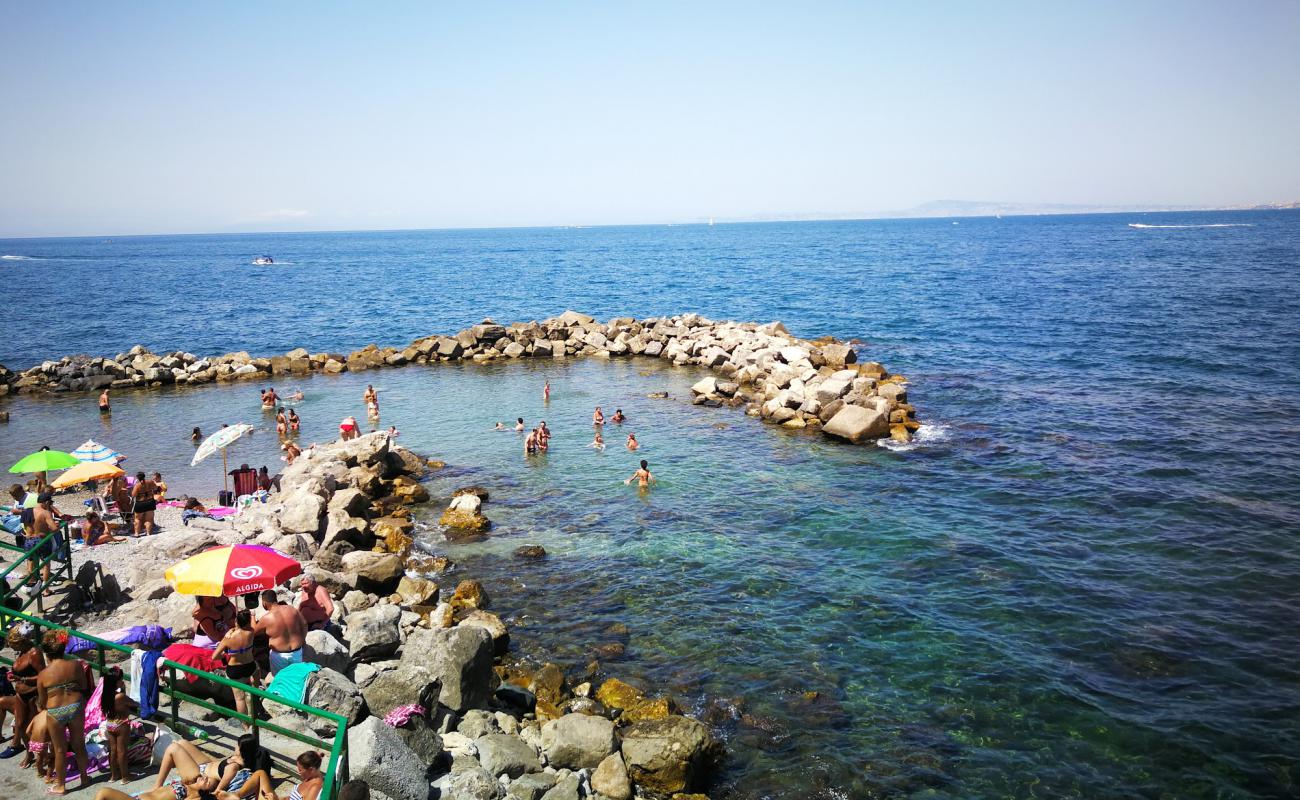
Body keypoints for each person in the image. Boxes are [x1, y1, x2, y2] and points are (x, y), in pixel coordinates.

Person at [36, 628, 91, 795]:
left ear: (46, 653)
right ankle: (84, 777)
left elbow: (43, 701)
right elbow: (83, 687)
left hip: (55, 711)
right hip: (75, 706)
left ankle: (61, 786)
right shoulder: (76, 665)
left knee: (59, 749)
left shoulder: (43, 675)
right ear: (63, 648)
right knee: (79, 744)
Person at [146, 733, 266, 798]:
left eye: (237, 745)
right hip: (206, 764)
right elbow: (217, 765)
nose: (235, 746)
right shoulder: (237, 758)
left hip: (201, 774)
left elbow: (219, 788)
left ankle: (157, 785)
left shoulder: (233, 767)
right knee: (182, 742)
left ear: (242, 750)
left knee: (173, 748)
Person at [0, 623, 45, 760]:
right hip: (21, 695)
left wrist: (21, 678)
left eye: (13, 643)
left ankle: (33, 754)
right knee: (20, 723)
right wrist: (12, 674)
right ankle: (28, 753)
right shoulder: (22, 652)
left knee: (26, 726)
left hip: (33, 696)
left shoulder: (34, 653)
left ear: (21, 642)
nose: (10, 646)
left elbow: (43, 675)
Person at [213, 610, 257, 730]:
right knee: (252, 691)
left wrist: (225, 653)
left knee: (239, 698)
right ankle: (255, 716)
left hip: (235, 669)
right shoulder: (251, 631)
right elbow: (252, 625)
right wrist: (252, 616)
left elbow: (214, 656)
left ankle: (246, 726)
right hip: (249, 665)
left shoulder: (229, 638)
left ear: (236, 621)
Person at [226, 750, 325, 800]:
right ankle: (236, 795)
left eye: (300, 770)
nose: (298, 772)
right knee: (260, 773)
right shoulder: (309, 777)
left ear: (311, 770)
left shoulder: (315, 787)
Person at [254, 590, 307, 675]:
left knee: (280, 681)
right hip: (296, 652)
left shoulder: (266, 618)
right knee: (296, 678)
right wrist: (303, 639)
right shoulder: (292, 609)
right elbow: (304, 624)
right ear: (276, 599)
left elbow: (253, 633)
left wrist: (252, 618)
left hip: (279, 656)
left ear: (264, 603)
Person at [100, 666, 133, 785]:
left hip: (110, 724)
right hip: (121, 724)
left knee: (113, 751)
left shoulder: (105, 695)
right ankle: (125, 777)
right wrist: (123, 689)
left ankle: (114, 776)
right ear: (116, 682)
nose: (122, 681)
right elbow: (134, 704)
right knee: (122, 751)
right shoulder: (120, 697)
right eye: (121, 680)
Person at [131, 471, 159, 536]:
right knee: (149, 519)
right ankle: (148, 533)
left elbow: (133, 495)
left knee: (138, 519)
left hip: (140, 503)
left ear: (137, 478)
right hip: (150, 502)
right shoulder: (150, 482)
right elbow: (156, 488)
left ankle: (137, 533)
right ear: (144, 476)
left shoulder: (137, 485)